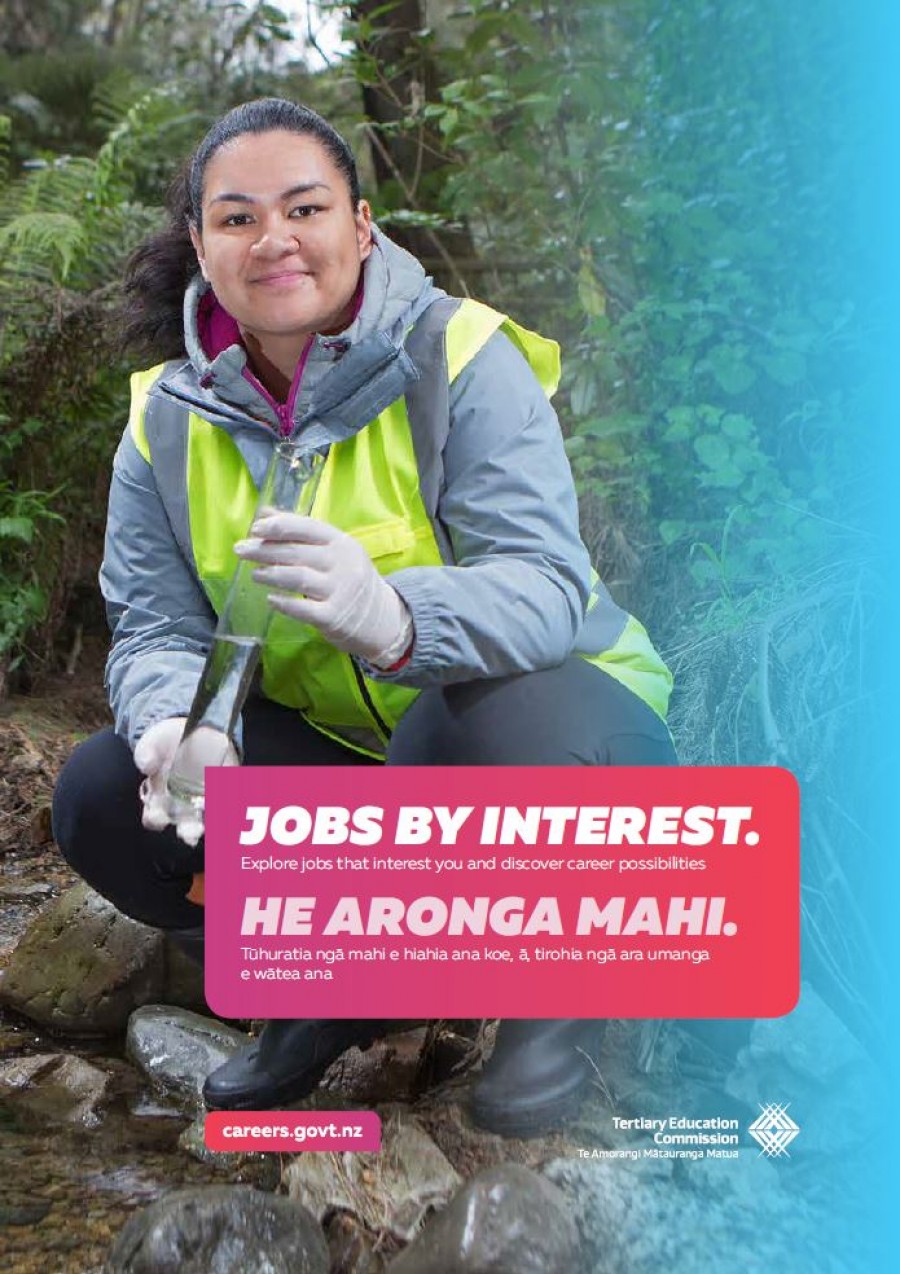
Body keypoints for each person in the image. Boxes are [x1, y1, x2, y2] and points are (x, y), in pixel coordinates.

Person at [52, 98, 676, 1139]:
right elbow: (157, 625)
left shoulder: (462, 355)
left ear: (363, 223)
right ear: (201, 244)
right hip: (363, 765)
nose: (275, 239)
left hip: (555, 734)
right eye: (238, 217)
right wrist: (178, 719)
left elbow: (546, 585)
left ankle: (558, 987)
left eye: (306, 207)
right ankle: (339, 983)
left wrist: (393, 616)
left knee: (451, 728)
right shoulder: (162, 419)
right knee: (107, 791)